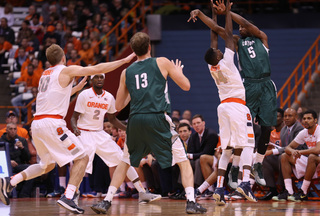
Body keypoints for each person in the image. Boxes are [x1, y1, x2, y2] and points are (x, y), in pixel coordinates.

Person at [0, 43, 136, 214]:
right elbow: (97, 68)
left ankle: (10, 182)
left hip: (37, 124)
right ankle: (68, 196)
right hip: (52, 124)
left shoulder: (45, 74)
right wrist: (123, 60)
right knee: (82, 158)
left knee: (46, 166)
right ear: (63, 57)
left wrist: (75, 89)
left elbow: (55, 95)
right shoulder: (65, 70)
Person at [91, 32, 207, 214]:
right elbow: (186, 86)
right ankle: (191, 202)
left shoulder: (126, 72)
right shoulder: (162, 62)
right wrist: (180, 73)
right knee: (183, 162)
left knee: (124, 162)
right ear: (149, 47)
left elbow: (119, 105)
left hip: (136, 120)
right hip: (157, 117)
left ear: (134, 51)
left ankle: (106, 201)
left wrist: (134, 91)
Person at [188, 0, 257, 205]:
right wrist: (226, 12)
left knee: (227, 148)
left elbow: (214, 36)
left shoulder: (211, 66)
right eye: (218, 52)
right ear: (218, 57)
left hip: (223, 107)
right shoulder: (226, 61)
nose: (219, 50)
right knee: (247, 145)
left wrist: (209, 15)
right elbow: (227, 34)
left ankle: (218, 188)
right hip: (237, 106)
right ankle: (245, 184)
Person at [211, 0, 277, 186]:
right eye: (238, 28)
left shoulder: (262, 38)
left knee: (267, 128)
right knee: (244, 129)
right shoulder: (238, 42)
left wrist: (228, 12)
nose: (240, 29)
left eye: (243, 27)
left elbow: (246, 23)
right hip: (248, 86)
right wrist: (218, 15)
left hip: (266, 85)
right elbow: (222, 32)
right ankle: (235, 167)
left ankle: (258, 163)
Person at [71, 73, 161, 202]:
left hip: (99, 133)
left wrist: (128, 129)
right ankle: (71, 195)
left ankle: (142, 192)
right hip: (84, 133)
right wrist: (74, 127)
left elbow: (112, 119)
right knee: (81, 165)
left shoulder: (108, 97)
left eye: (102, 77)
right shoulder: (84, 95)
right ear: (92, 79)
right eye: (96, 77)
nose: (99, 79)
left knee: (122, 160)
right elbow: (74, 116)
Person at [273, 110, 320, 202]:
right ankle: (289, 191)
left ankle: (303, 191)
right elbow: (288, 148)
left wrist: (299, 152)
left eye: (309, 118)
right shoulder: (304, 132)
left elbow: (317, 150)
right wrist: (293, 151)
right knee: (284, 156)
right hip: (312, 162)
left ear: (315, 120)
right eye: (304, 118)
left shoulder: (319, 130)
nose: (306, 121)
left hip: (315, 159)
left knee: (312, 156)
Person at [262, 108, 304, 200]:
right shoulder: (285, 129)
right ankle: (272, 189)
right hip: (287, 158)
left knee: (282, 157)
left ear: (296, 117)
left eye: (290, 116)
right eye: (285, 116)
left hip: (300, 159)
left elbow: (293, 148)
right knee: (266, 158)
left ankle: (284, 189)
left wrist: (273, 151)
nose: (287, 118)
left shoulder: (299, 129)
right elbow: (285, 148)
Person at [187, 114, 218, 188]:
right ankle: (185, 188)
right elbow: (190, 151)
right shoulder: (193, 137)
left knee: (200, 160)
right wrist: (189, 156)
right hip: (200, 157)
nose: (196, 125)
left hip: (212, 158)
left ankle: (200, 187)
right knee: (187, 162)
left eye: (198, 123)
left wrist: (191, 156)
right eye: (194, 124)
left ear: (203, 123)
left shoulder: (211, 134)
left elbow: (207, 152)